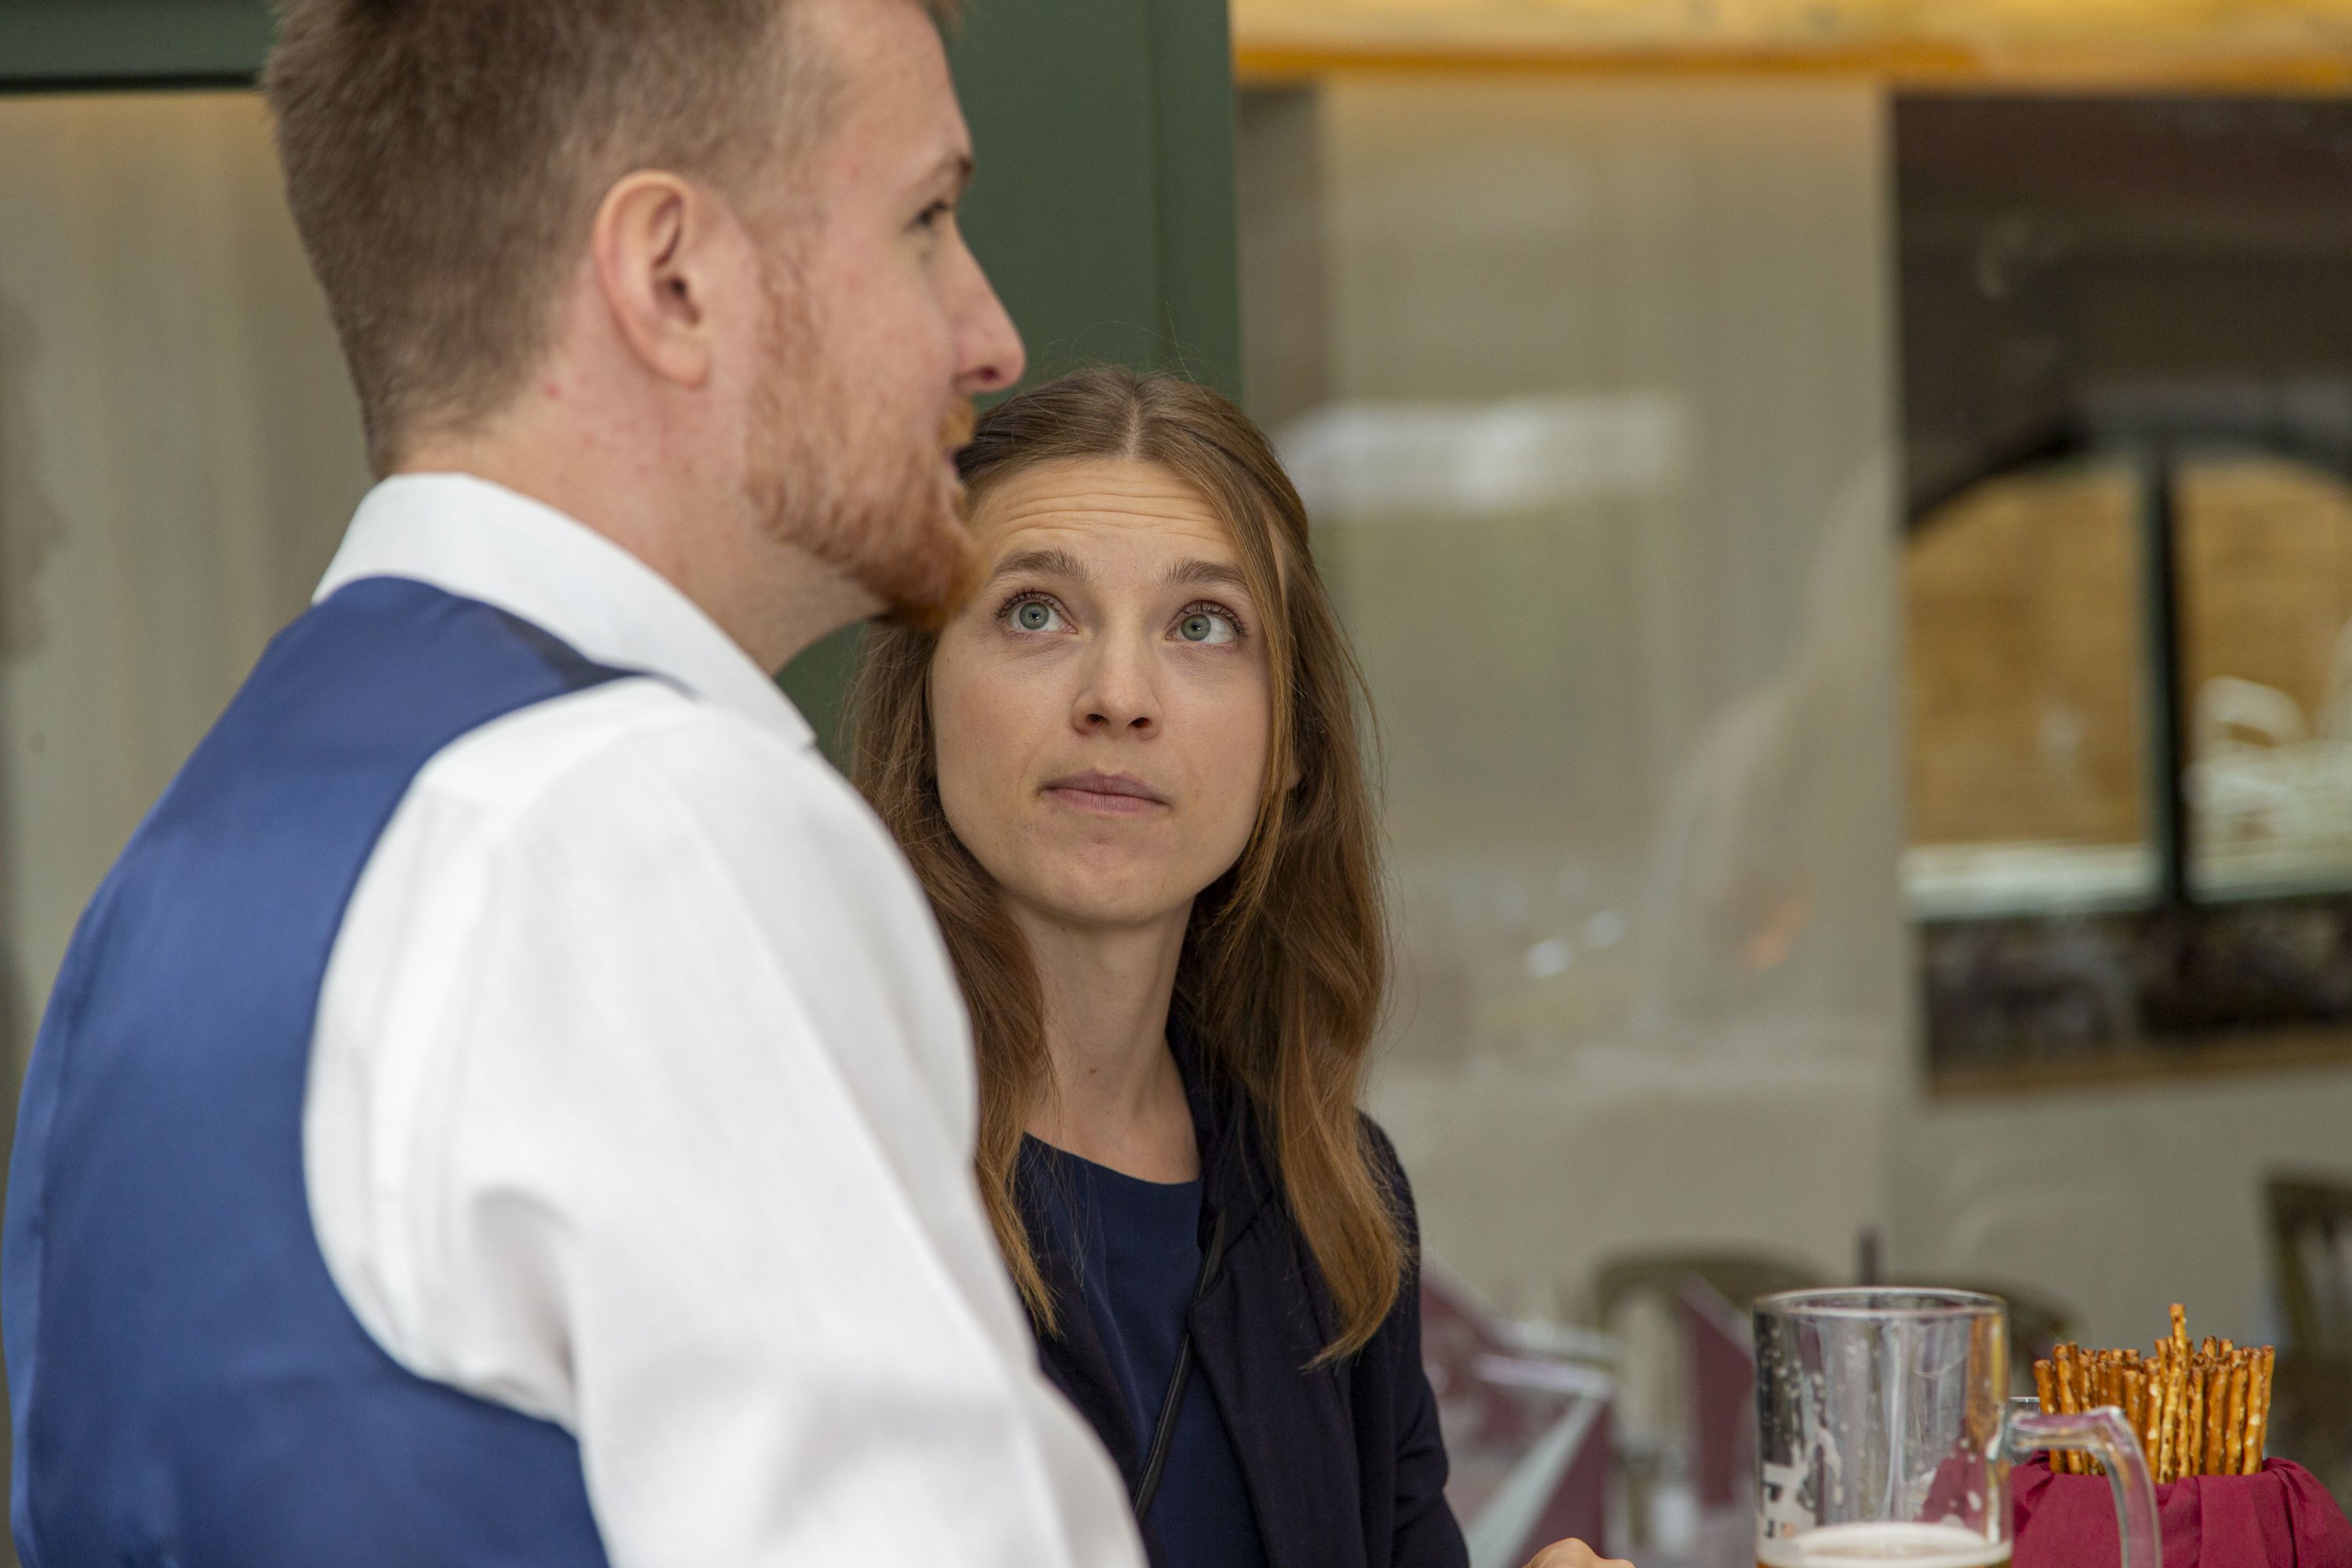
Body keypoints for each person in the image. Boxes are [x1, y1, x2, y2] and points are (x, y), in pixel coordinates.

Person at [1, 2, 1145, 1565]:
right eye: (926, 220)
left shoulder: (176, 879)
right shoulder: (639, 820)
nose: (991, 335)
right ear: (670, 277)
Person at [850, 367, 1629, 1568]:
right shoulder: (826, 1168)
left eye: (1203, 625)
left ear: (1290, 748)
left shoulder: (1330, 1202)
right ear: (924, 696)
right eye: (1036, 612)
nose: (1119, 697)